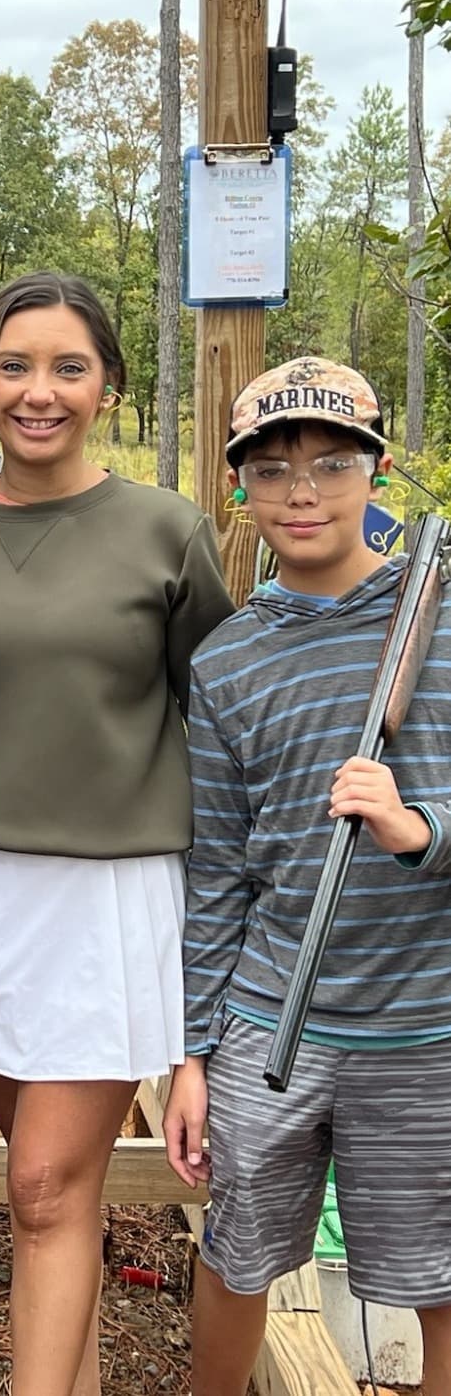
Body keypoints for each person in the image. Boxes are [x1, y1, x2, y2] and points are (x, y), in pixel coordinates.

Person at [0, 271, 234, 1396]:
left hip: (105, 893)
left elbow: (220, 720)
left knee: (38, 1187)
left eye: (69, 366)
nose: (40, 391)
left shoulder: (168, 532)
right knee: (52, 1193)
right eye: (15, 366)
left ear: (109, 386)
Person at [162, 357, 451, 1396]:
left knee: (436, 1271)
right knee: (237, 1251)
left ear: (377, 469)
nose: (302, 490)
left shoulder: (440, 616)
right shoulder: (230, 660)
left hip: (427, 1026)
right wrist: (193, 1052)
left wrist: (420, 828)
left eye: (333, 461)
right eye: (271, 468)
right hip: (268, 1024)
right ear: (239, 488)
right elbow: (219, 871)